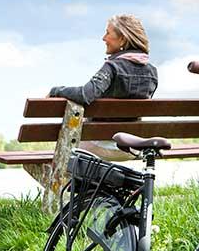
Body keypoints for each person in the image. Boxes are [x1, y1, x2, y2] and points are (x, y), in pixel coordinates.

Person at [47, 14, 158, 160]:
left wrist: (56, 91)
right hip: (133, 147)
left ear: (122, 39)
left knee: (66, 152)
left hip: (102, 145)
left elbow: (85, 95)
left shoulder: (112, 67)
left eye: (108, 33)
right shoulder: (152, 72)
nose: (103, 38)